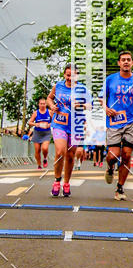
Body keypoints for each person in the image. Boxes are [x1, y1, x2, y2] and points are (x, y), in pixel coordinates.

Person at [101, 51, 133, 200]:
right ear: (119, 63)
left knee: (127, 154)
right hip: (114, 121)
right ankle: (110, 167)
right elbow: (101, 98)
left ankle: (120, 188)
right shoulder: (110, 80)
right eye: (123, 60)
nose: (126, 62)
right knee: (113, 155)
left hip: (132, 120)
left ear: (132, 63)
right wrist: (106, 108)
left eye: (129, 60)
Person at [47, 64, 91, 197]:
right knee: (60, 152)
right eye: (67, 75)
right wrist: (52, 106)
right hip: (59, 123)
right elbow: (49, 98)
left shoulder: (83, 89)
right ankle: (56, 181)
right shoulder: (58, 86)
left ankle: (66, 183)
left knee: (71, 156)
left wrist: (81, 105)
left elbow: (90, 105)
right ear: (64, 75)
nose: (70, 78)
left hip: (75, 125)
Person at [27, 97, 52, 170]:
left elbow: (54, 120)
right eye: (41, 104)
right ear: (39, 105)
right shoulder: (36, 113)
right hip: (37, 132)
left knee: (45, 148)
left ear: (46, 104)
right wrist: (36, 124)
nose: (42, 105)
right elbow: (30, 122)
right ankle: (39, 165)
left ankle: (45, 158)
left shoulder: (49, 112)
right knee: (37, 150)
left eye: (44, 104)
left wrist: (49, 125)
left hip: (46, 133)